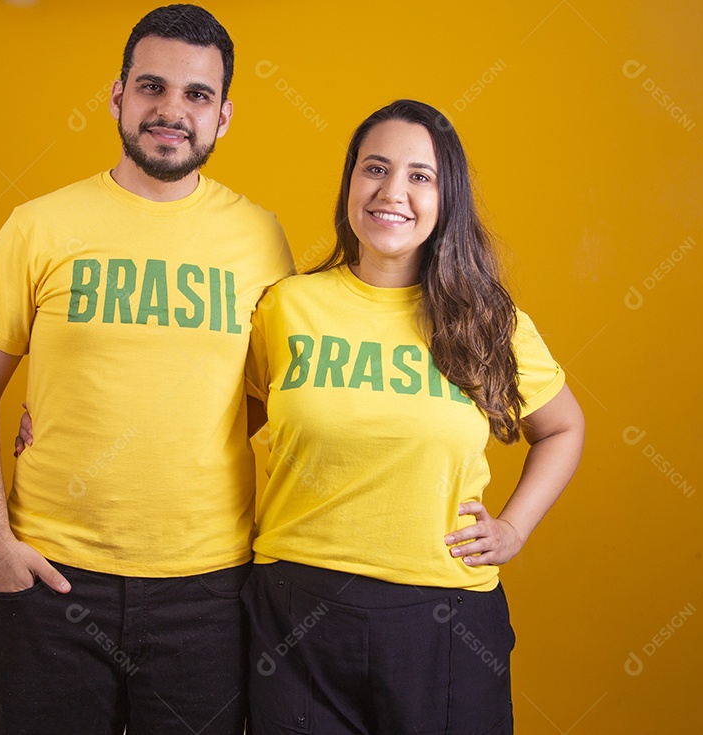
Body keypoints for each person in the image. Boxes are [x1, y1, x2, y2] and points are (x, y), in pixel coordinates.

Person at [0, 5, 293, 734]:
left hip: (210, 587)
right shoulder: (39, 224)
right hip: (51, 579)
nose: (172, 110)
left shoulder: (260, 237)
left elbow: (275, 403)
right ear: (117, 97)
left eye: (196, 95)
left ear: (223, 116)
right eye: (152, 87)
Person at [242, 99, 585, 734]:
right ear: (350, 184)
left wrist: (513, 529)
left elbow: (563, 426)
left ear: (446, 196)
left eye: (419, 176)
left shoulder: (488, 321)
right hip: (295, 611)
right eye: (374, 168)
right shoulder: (287, 306)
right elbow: (218, 419)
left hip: (445, 620)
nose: (391, 191)